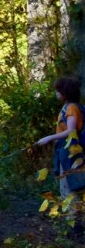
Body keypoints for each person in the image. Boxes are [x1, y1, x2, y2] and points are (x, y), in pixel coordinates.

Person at [35, 76, 85, 230]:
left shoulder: (71, 108)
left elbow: (71, 131)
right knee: (75, 186)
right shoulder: (74, 107)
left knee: (70, 187)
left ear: (64, 92)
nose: (55, 93)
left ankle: (74, 227)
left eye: (57, 90)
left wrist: (48, 138)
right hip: (70, 152)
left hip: (70, 154)